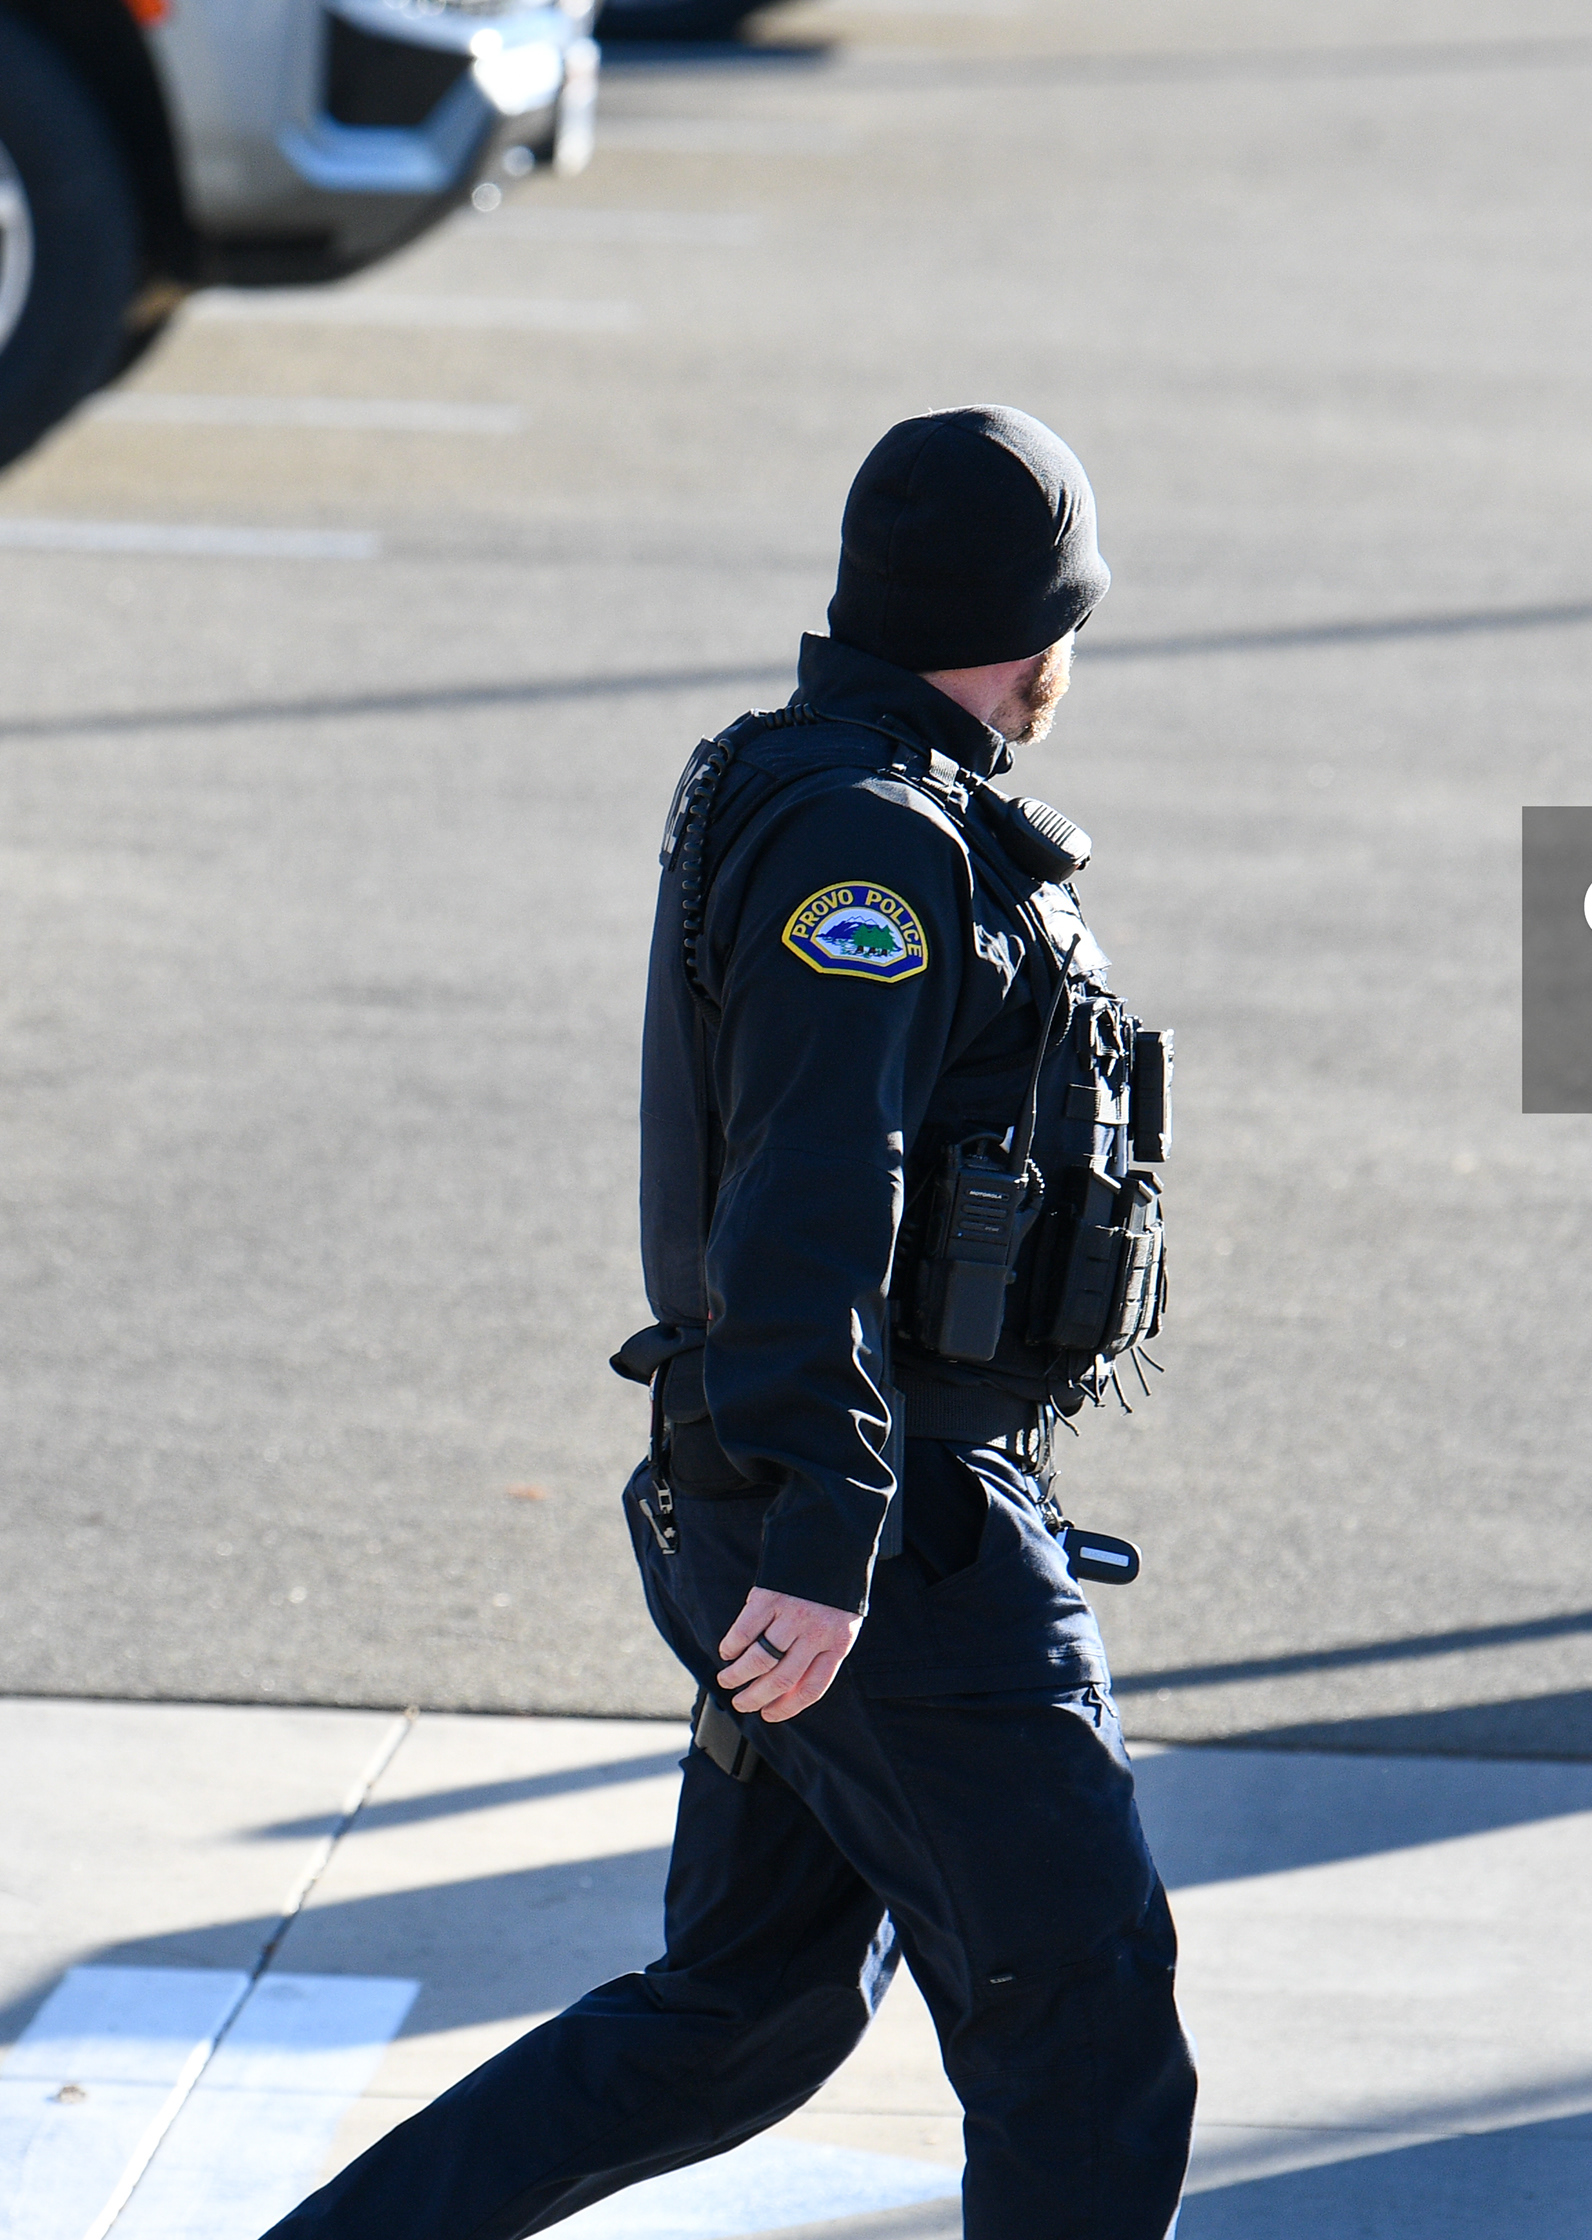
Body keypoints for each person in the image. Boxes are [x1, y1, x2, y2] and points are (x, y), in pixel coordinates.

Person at [260, 406, 1194, 2238]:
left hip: (779, 1504)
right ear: (1039, 627)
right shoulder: (871, 841)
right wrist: (835, 1538)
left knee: (741, 2015)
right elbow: (809, 1196)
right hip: (877, 1544)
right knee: (1084, 2038)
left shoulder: (814, 782)